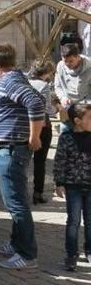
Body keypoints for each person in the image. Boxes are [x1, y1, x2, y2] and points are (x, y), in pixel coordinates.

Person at [0, 43, 45, 269]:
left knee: (16, 203)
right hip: (10, 147)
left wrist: (35, 136)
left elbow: (35, 102)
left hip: (13, 149)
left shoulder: (10, 80)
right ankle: (15, 243)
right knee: (14, 200)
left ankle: (27, 254)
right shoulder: (14, 78)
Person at [54, 103, 91, 271]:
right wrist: (59, 182)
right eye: (89, 118)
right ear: (77, 121)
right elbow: (60, 161)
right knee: (73, 221)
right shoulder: (66, 137)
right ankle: (71, 254)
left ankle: (89, 251)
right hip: (73, 187)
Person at [28, 62, 59, 205]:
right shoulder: (44, 86)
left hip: (26, 126)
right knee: (40, 161)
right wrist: (58, 108)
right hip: (42, 125)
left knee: (23, 161)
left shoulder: (25, 83)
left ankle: (21, 193)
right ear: (46, 73)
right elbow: (47, 109)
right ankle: (37, 193)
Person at [55, 43, 91, 117]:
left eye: (71, 61)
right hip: (67, 105)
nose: (67, 64)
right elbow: (58, 87)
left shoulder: (89, 67)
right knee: (65, 127)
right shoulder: (60, 66)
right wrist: (63, 98)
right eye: (65, 61)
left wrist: (85, 105)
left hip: (86, 106)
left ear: (78, 57)